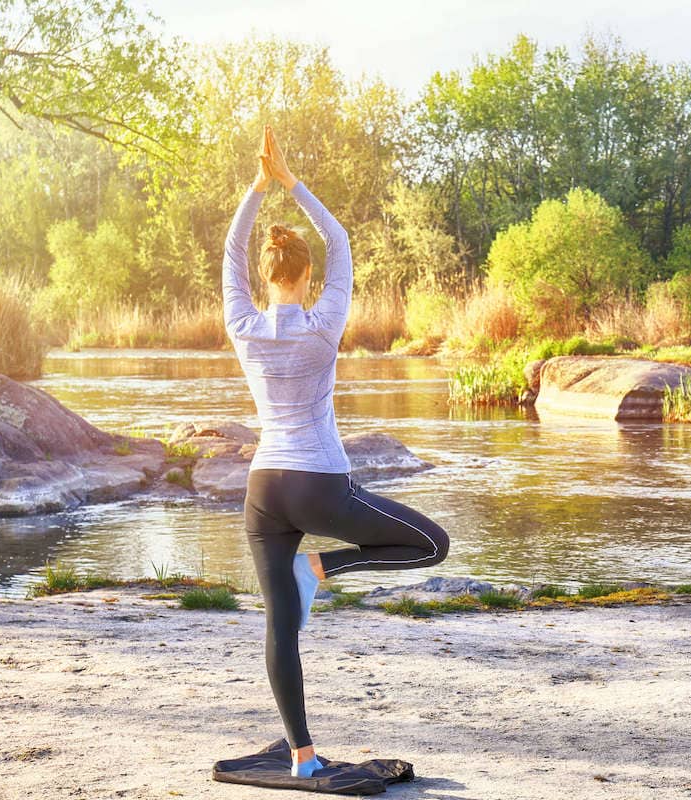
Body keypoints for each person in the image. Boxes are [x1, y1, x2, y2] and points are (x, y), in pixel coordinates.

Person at [223, 125, 450, 778]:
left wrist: (256, 187)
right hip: (321, 486)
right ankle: (323, 569)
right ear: (308, 277)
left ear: (266, 278)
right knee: (431, 545)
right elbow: (341, 240)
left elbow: (233, 245)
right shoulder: (325, 326)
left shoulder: (242, 326)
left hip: (264, 489)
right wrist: (290, 184)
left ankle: (302, 755)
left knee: (279, 625)